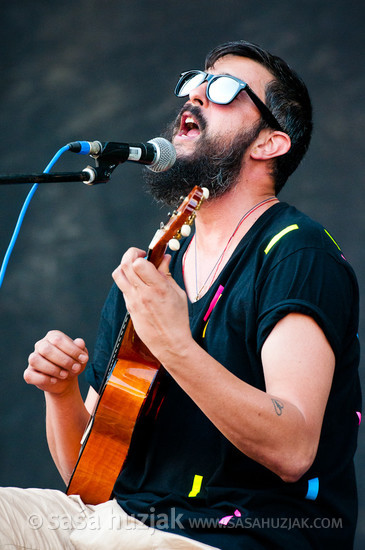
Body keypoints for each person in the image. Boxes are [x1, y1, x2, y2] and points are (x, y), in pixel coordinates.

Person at [0, 40, 361, 550]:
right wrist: (60, 394)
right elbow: (92, 479)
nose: (195, 94)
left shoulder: (298, 255)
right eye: (194, 82)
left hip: (234, 535)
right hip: (123, 524)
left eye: (224, 88)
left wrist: (173, 342)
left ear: (269, 144)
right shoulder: (154, 267)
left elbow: (294, 446)